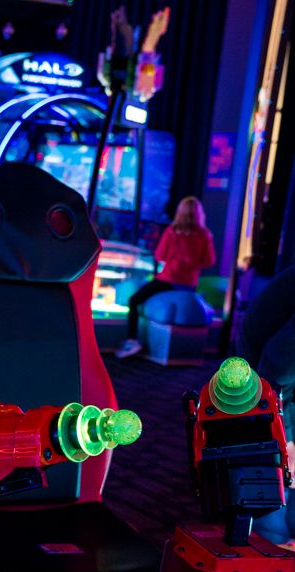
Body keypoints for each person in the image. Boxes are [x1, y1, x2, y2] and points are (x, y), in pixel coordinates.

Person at [235, 262, 295, 547]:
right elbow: (276, 370)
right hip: (270, 381)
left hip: (276, 374)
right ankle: (269, 538)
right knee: (277, 458)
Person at [116, 196, 216, 357]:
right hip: (189, 285)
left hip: (168, 280)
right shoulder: (205, 235)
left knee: (134, 300)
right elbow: (209, 261)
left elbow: (159, 255)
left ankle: (132, 340)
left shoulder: (172, 232)